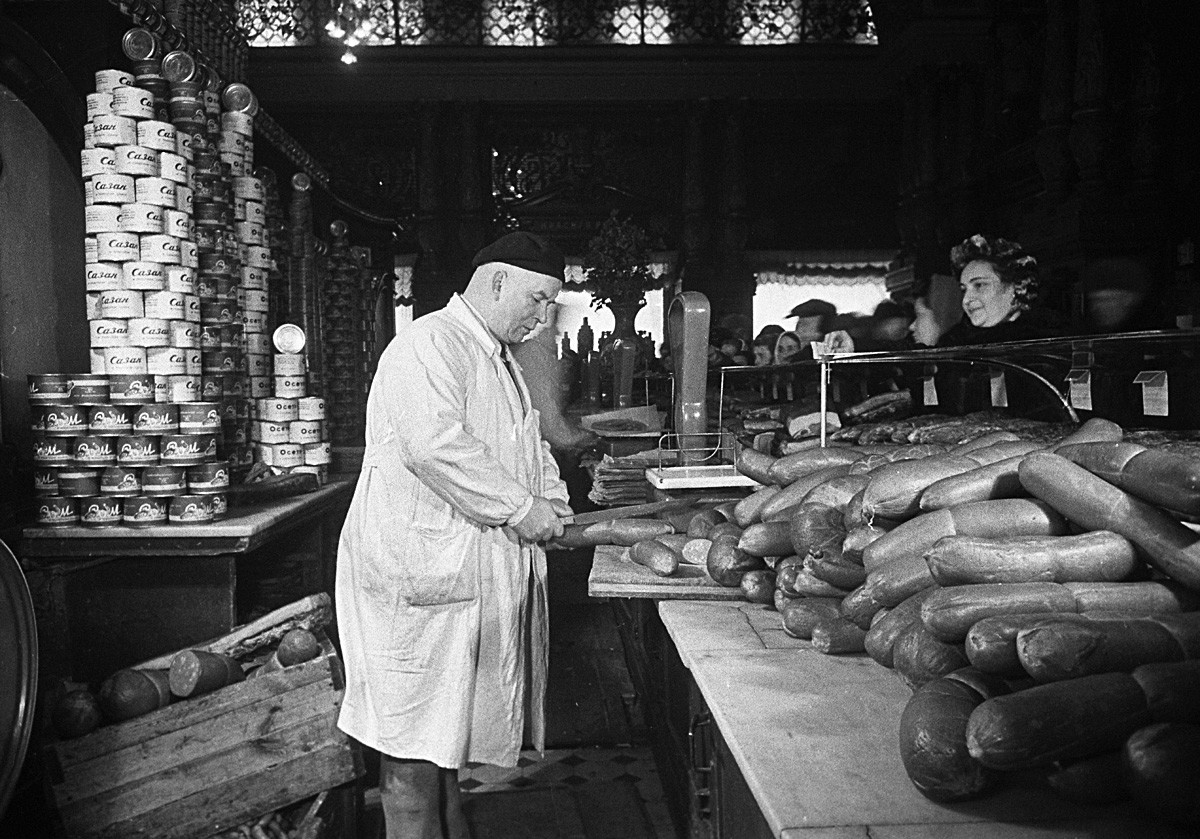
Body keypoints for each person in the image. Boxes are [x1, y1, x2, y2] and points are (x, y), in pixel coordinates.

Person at [335, 231, 574, 839]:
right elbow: (435, 448)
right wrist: (522, 509)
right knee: (411, 758)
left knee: (444, 751)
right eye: (538, 299)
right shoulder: (426, 345)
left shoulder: (496, 357)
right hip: (414, 586)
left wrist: (551, 501)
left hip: (460, 580)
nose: (543, 316)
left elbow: (528, 444)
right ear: (497, 282)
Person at [938, 233, 1063, 346]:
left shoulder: (1049, 338)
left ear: (1017, 287)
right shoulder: (952, 343)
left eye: (979, 285)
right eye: (963, 289)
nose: (966, 300)